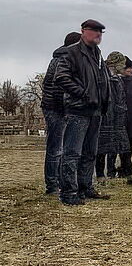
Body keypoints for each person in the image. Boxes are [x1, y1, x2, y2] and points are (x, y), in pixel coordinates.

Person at [53, 19, 113, 205]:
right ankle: (69, 192)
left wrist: (103, 99)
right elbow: (61, 77)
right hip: (78, 110)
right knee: (72, 153)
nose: (98, 35)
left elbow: (101, 80)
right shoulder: (72, 53)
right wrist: (83, 94)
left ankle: (85, 187)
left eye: (100, 32)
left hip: (95, 111)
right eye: (94, 31)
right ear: (83, 31)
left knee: (89, 153)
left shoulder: (98, 55)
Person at [40, 31, 81, 195]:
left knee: (63, 148)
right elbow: (58, 88)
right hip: (56, 109)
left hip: (62, 108)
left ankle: (61, 182)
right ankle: (52, 185)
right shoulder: (62, 60)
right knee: (56, 148)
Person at [95, 52, 131, 183]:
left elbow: (121, 98)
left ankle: (110, 171)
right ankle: (99, 174)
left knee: (113, 146)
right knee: (101, 147)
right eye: (122, 64)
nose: (123, 67)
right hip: (105, 116)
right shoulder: (102, 76)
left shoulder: (117, 79)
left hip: (116, 117)